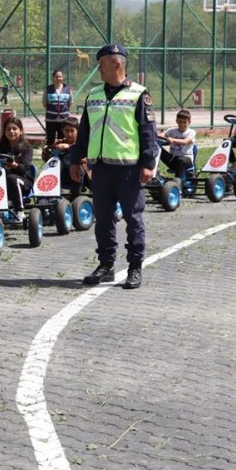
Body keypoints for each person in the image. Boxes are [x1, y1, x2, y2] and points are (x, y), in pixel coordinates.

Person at [69, 44, 158, 290]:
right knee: (104, 219)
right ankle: (106, 265)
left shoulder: (139, 94)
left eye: (102, 64)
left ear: (117, 64)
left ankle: (134, 268)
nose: (99, 68)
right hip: (100, 169)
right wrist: (76, 159)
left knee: (133, 219)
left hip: (129, 169)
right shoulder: (94, 94)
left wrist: (148, 163)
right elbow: (84, 132)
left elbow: (148, 132)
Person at [0, 117, 34, 222]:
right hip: (4, 178)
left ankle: (19, 210)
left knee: (12, 178)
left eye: (14, 129)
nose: (11, 132)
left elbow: (25, 168)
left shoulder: (26, 148)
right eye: (8, 129)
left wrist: (14, 165)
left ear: (21, 131)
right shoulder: (0, 147)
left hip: (24, 179)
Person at [43, 115, 86, 199]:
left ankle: (75, 197)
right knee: (53, 167)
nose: (69, 134)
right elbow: (47, 159)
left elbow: (85, 158)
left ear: (78, 131)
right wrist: (47, 151)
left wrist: (69, 147)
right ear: (62, 131)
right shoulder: (59, 143)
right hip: (65, 175)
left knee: (79, 167)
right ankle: (50, 196)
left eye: (72, 131)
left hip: (83, 176)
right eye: (66, 130)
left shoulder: (82, 143)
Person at [160, 109, 197, 178]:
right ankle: (155, 174)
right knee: (157, 149)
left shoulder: (191, 132)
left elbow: (185, 141)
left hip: (186, 159)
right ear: (176, 121)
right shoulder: (172, 131)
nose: (182, 124)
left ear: (189, 122)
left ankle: (178, 182)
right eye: (180, 122)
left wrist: (172, 140)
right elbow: (161, 136)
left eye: (185, 122)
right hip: (173, 159)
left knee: (181, 160)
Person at [44, 69, 73, 144]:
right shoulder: (48, 89)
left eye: (60, 76)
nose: (58, 78)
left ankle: (62, 155)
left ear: (62, 77)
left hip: (63, 119)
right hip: (50, 119)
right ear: (53, 78)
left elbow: (70, 102)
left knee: (62, 139)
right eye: (56, 77)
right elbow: (44, 103)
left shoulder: (68, 89)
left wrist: (65, 111)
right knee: (50, 140)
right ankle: (49, 154)